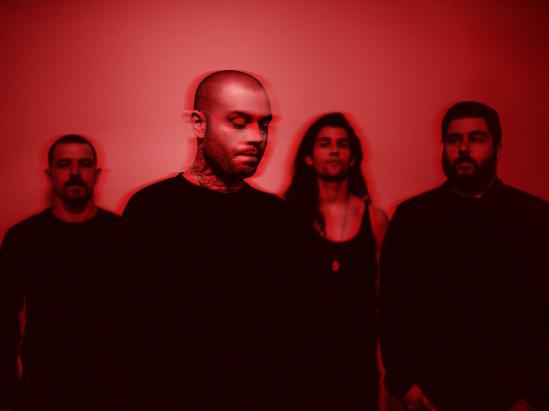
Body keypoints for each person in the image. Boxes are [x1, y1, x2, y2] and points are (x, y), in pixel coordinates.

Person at [111, 70, 299, 410]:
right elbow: (126, 331)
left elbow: (291, 334)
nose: (257, 137)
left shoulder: (277, 218)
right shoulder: (152, 210)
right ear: (199, 124)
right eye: (238, 122)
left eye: (264, 124)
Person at [379, 101, 548, 411]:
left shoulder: (534, 218)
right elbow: (391, 305)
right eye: (454, 139)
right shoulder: (412, 217)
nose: (463, 148)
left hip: (510, 396)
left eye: (476, 138)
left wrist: (536, 394)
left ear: (498, 149)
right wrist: (404, 383)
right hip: (431, 395)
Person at [0, 134, 120, 411]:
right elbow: (4, 320)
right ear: (50, 174)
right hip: (42, 388)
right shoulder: (23, 238)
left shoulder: (122, 234)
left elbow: (142, 315)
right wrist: (6, 393)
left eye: (84, 164)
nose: (75, 173)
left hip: (110, 390)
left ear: (97, 174)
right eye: (65, 164)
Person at [285, 112, 387, 411]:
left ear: (353, 158)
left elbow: (384, 304)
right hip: (300, 370)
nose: (334, 150)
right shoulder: (286, 217)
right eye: (325, 143)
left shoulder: (375, 220)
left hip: (357, 370)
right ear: (308, 157)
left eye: (342, 144)